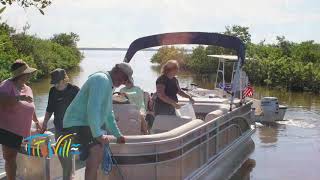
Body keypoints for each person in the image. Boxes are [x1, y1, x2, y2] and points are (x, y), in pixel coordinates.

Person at [63, 63, 131, 180]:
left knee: (96, 155)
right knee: (96, 153)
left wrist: (118, 135)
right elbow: (93, 109)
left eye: (126, 80)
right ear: (117, 70)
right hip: (77, 123)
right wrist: (98, 135)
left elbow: (108, 114)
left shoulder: (109, 85)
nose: (124, 82)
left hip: (85, 124)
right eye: (124, 78)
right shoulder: (101, 80)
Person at [0, 60, 41, 180]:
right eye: (27, 73)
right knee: (10, 157)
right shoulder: (7, 84)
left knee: (14, 156)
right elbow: (1, 100)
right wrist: (19, 97)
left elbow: (31, 107)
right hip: (7, 128)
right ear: (20, 74)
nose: (30, 75)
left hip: (21, 130)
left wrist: (37, 122)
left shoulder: (28, 88)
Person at [41, 68, 79, 180]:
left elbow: (83, 106)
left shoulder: (74, 90)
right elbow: (49, 109)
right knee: (62, 154)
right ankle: (69, 176)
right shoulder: (53, 91)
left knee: (66, 155)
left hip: (72, 129)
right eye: (54, 82)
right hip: (59, 128)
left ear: (64, 79)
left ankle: (66, 177)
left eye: (57, 82)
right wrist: (44, 124)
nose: (55, 85)